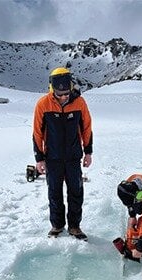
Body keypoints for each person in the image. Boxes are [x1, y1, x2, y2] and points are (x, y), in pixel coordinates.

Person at [32, 67, 93, 239]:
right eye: (60, 94)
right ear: (52, 89)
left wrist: (88, 152)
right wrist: (39, 159)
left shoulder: (80, 103)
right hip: (53, 158)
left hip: (73, 156)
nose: (64, 97)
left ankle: (74, 226)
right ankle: (57, 226)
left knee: (76, 191)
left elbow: (87, 127)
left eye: (67, 93)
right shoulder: (43, 104)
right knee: (54, 192)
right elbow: (37, 132)